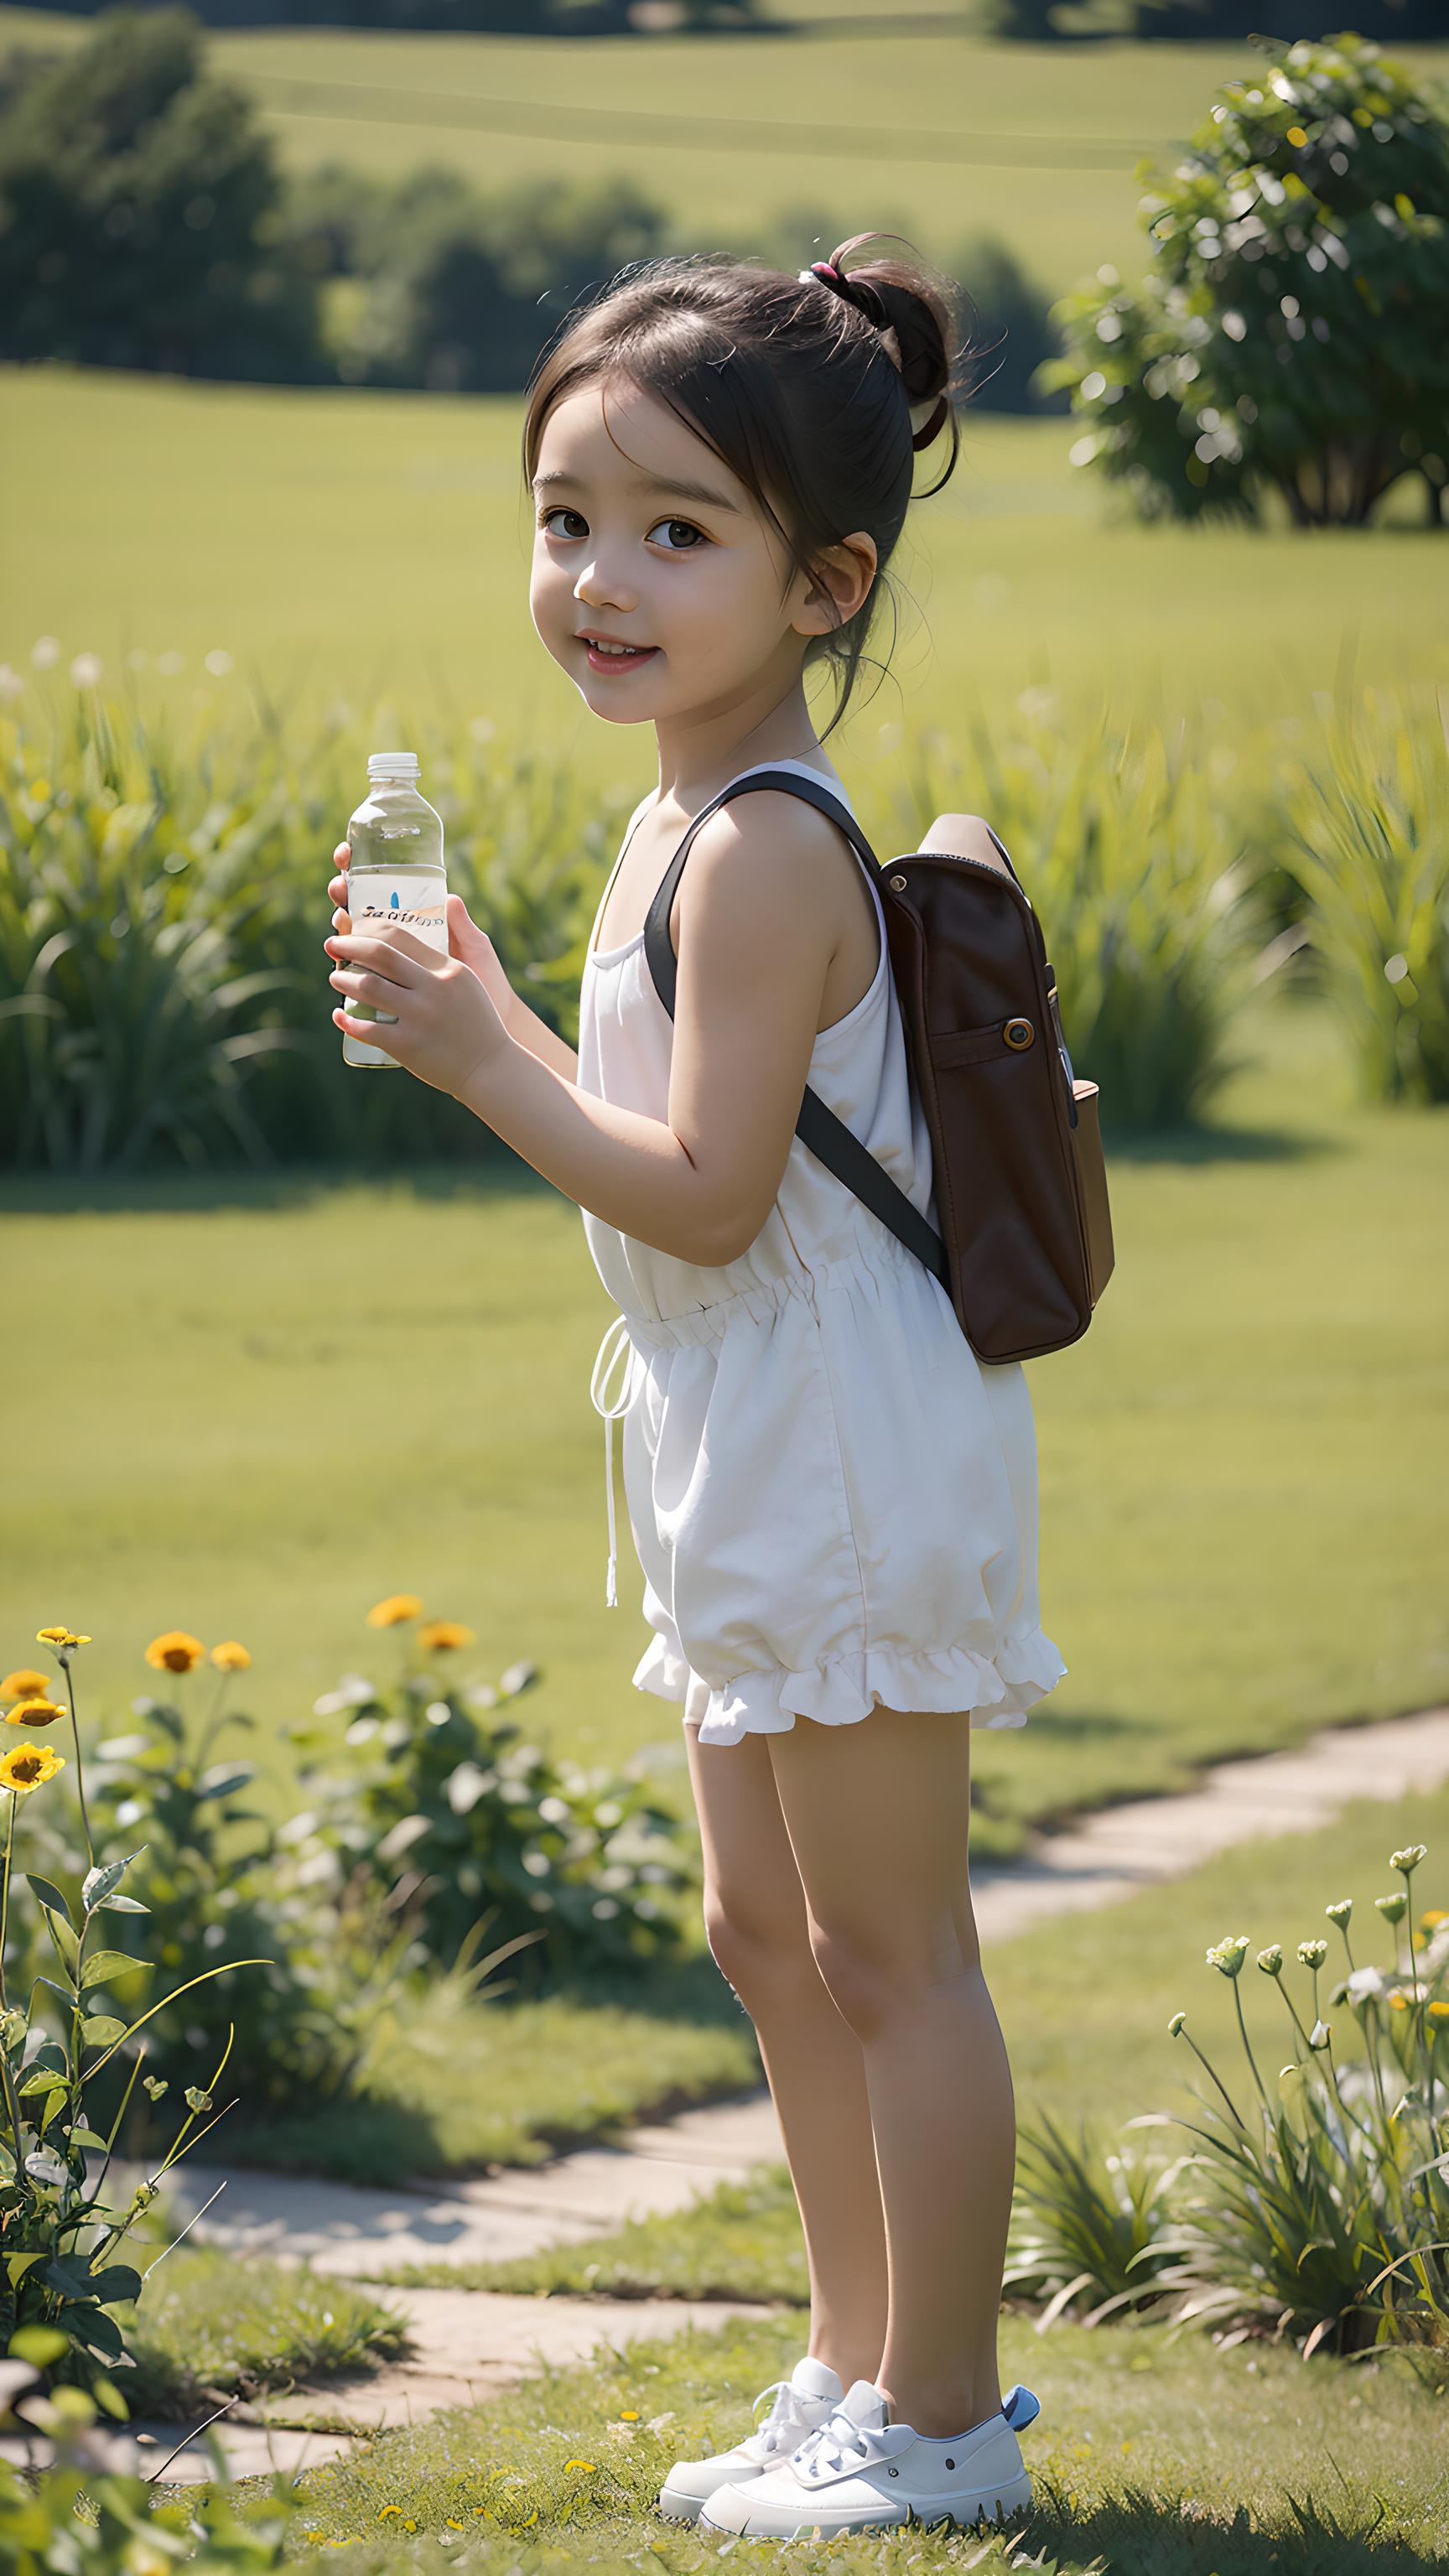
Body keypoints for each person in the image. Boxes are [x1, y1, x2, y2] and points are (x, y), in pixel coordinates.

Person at [325, 231, 1060, 2542]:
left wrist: (475, 1061)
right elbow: (662, 1149)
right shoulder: (671, 815)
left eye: (675, 531)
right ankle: (848, 2363)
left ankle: (943, 2423)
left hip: (833, 1430)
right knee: (770, 1935)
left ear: (825, 580)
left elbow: (712, 1196)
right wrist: (500, 1011)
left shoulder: (756, 850)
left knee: (889, 1949)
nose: (599, 579)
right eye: (566, 520)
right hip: (742, 1430)